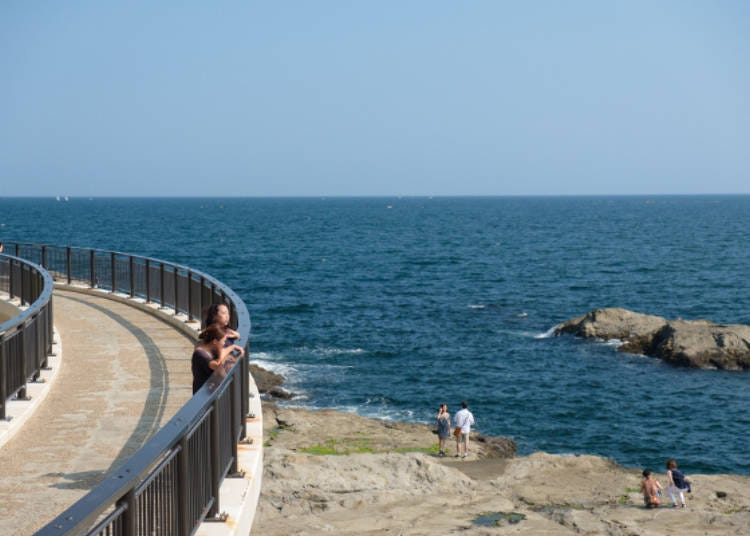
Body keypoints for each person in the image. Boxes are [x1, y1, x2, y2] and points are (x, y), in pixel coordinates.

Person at [191, 323, 245, 394]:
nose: (224, 343)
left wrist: (232, 347)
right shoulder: (200, 354)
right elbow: (216, 365)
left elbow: (223, 352)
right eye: (223, 341)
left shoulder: (209, 349)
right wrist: (220, 350)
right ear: (215, 342)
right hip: (201, 394)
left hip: (208, 390)